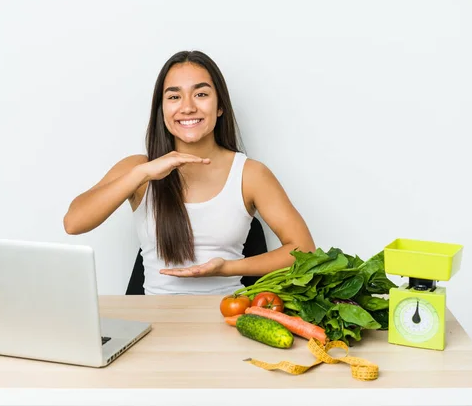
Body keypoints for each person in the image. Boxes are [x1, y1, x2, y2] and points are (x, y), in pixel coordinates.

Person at [63, 50, 315, 295]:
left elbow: (305, 251)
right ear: (162, 110)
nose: (187, 107)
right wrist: (142, 174)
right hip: (154, 323)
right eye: (174, 97)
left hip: (226, 318)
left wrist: (228, 268)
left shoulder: (250, 174)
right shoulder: (138, 169)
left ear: (220, 107)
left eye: (201, 94)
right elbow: (73, 223)